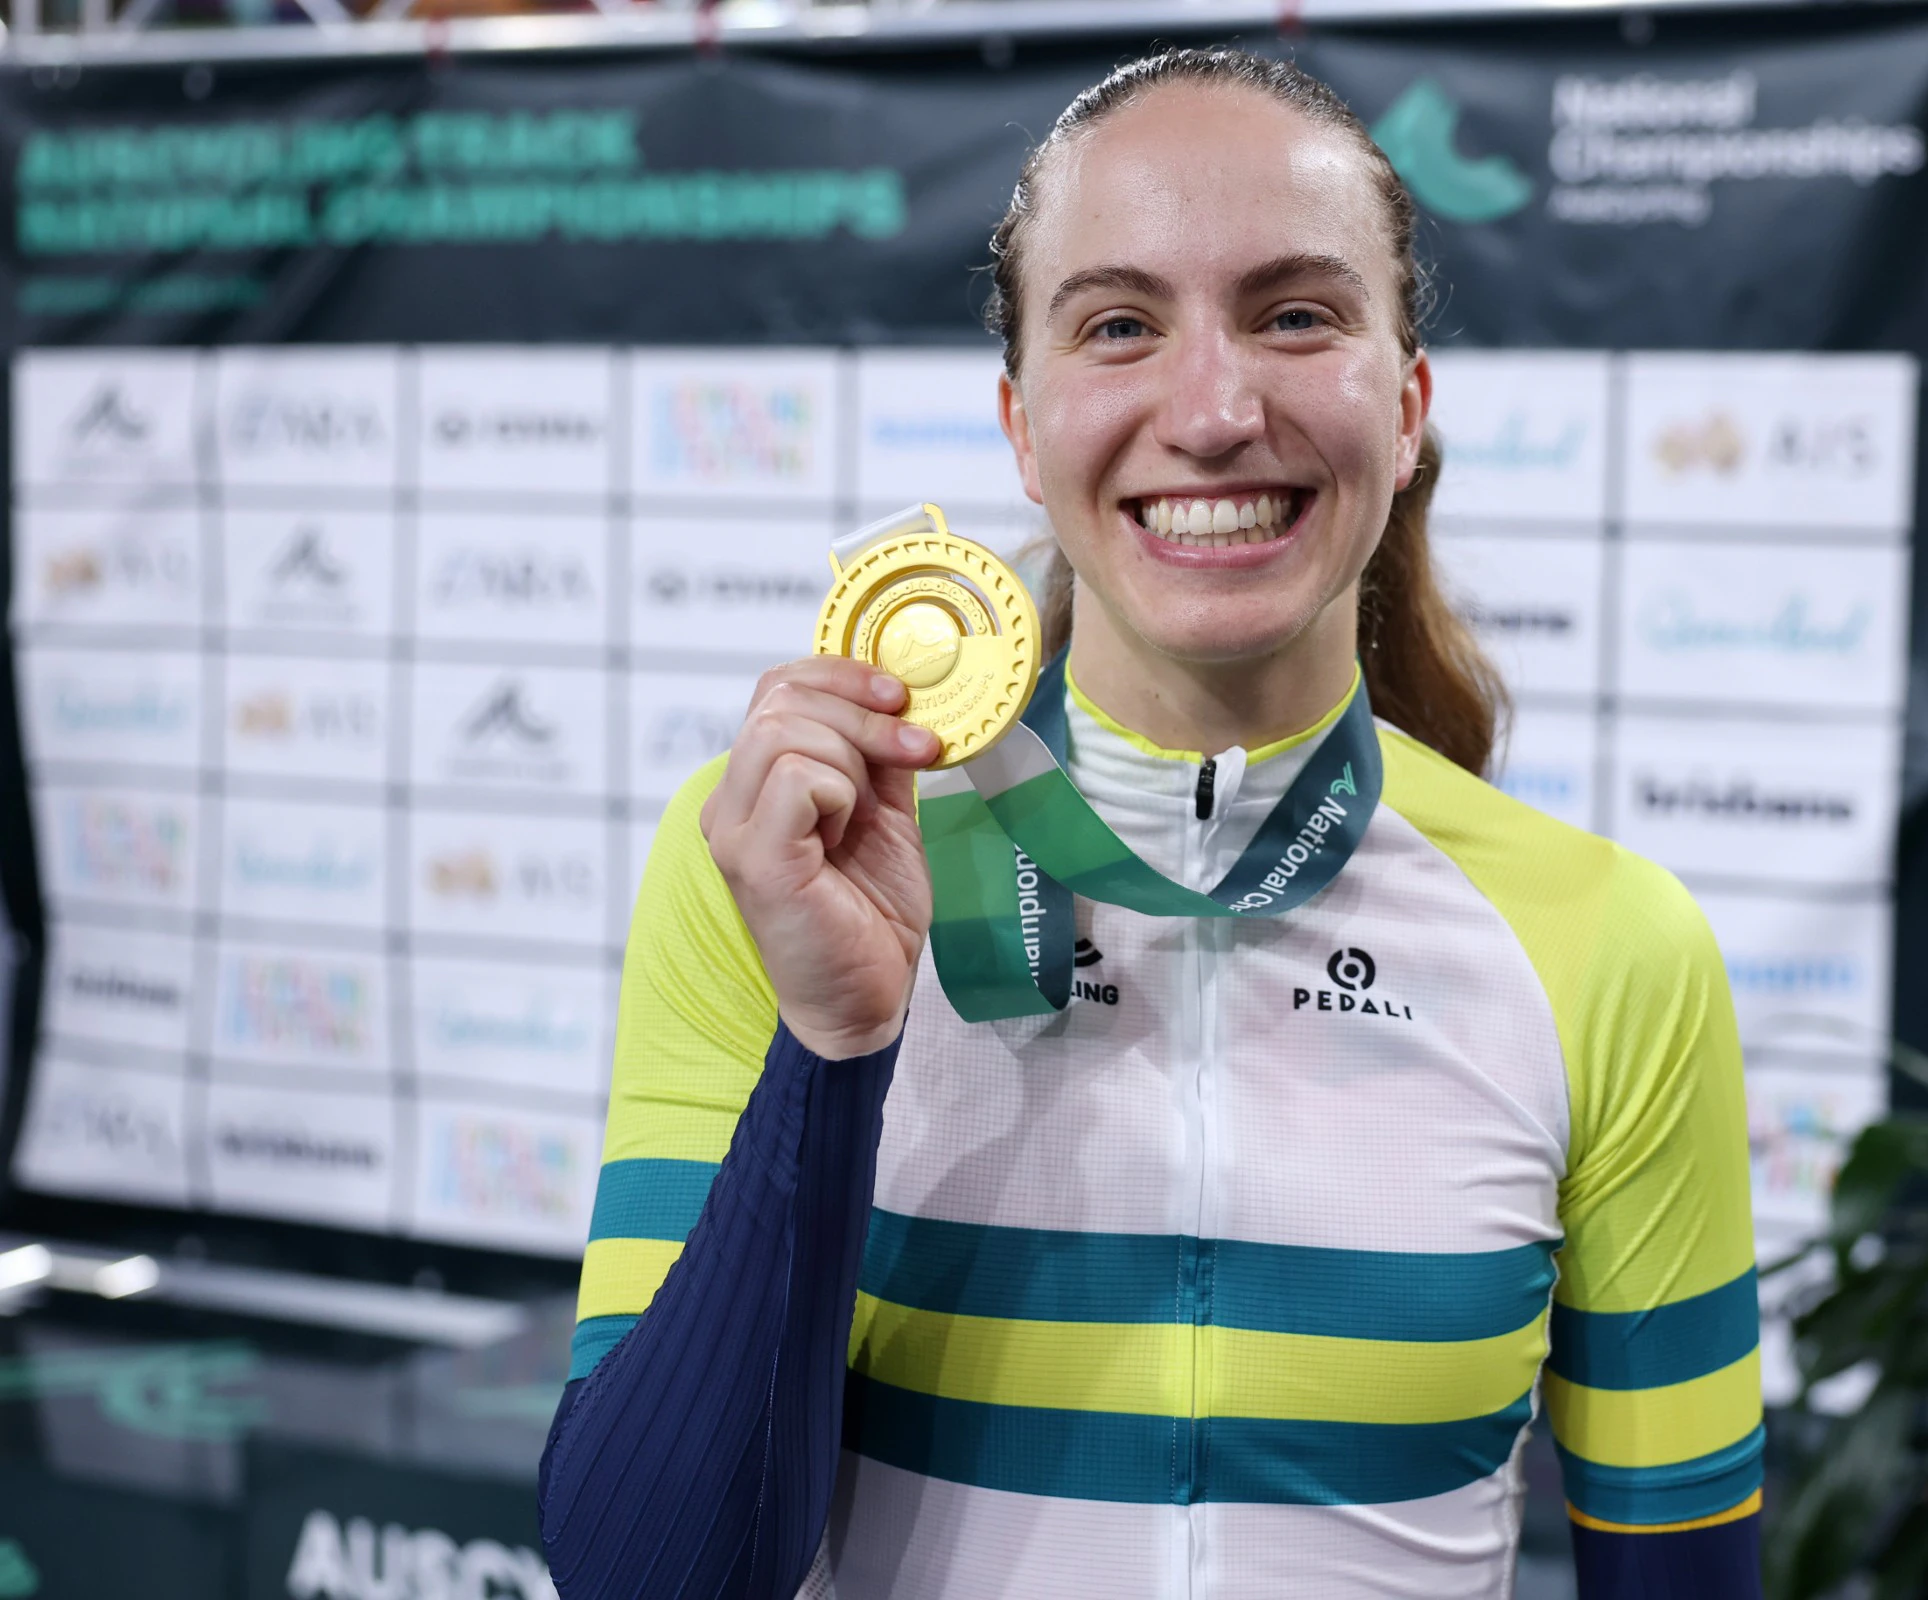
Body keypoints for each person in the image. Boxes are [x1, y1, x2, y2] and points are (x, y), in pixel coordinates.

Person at [538, 47, 1761, 1600]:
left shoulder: (1608, 944)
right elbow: (650, 1582)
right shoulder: (779, 870)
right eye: (1120, 325)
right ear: (1023, 426)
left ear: (1406, 407)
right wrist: (834, 1051)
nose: (1215, 409)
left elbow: (1685, 1575)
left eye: (1296, 315)